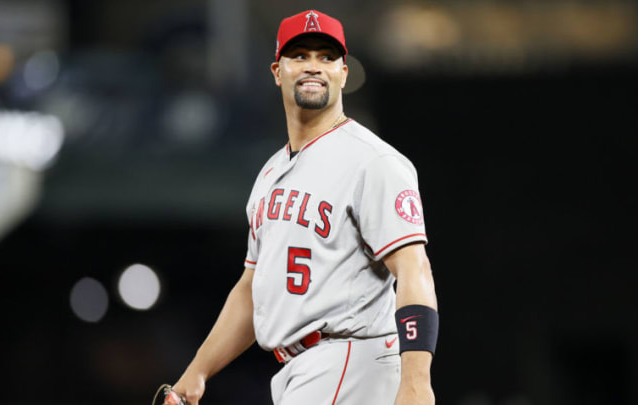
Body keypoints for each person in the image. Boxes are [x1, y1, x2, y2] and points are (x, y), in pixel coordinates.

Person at [171, 9, 438, 405]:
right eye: (301, 56)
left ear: (343, 73)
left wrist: (417, 380)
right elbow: (252, 289)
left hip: (352, 358)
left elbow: (415, 269)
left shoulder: (374, 162)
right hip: (299, 370)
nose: (314, 66)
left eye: (326, 57)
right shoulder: (270, 174)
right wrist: (197, 371)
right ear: (278, 71)